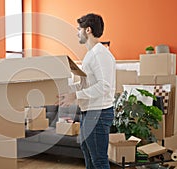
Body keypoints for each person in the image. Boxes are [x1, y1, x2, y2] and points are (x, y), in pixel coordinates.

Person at [57, 13, 116, 169]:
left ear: (88, 30)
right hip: (88, 112)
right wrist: (68, 91)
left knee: (99, 160)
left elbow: (104, 86)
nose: (77, 33)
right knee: (89, 156)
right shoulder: (90, 55)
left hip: (98, 113)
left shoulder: (100, 55)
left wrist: (75, 95)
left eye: (79, 29)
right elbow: (86, 84)